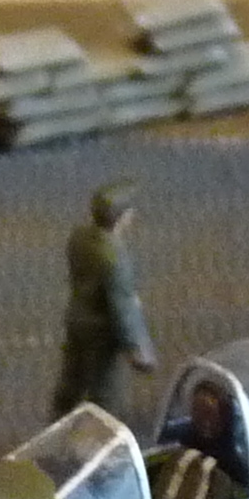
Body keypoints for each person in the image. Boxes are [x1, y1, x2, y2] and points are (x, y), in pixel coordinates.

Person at [48, 182, 157, 425]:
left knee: (72, 379)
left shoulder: (79, 237)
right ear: (122, 217)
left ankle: (57, 424)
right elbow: (123, 308)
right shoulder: (115, 258)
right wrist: (139, 349)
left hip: (77, 319)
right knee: (105, 392)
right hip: (102, 334)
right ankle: (100, 435)